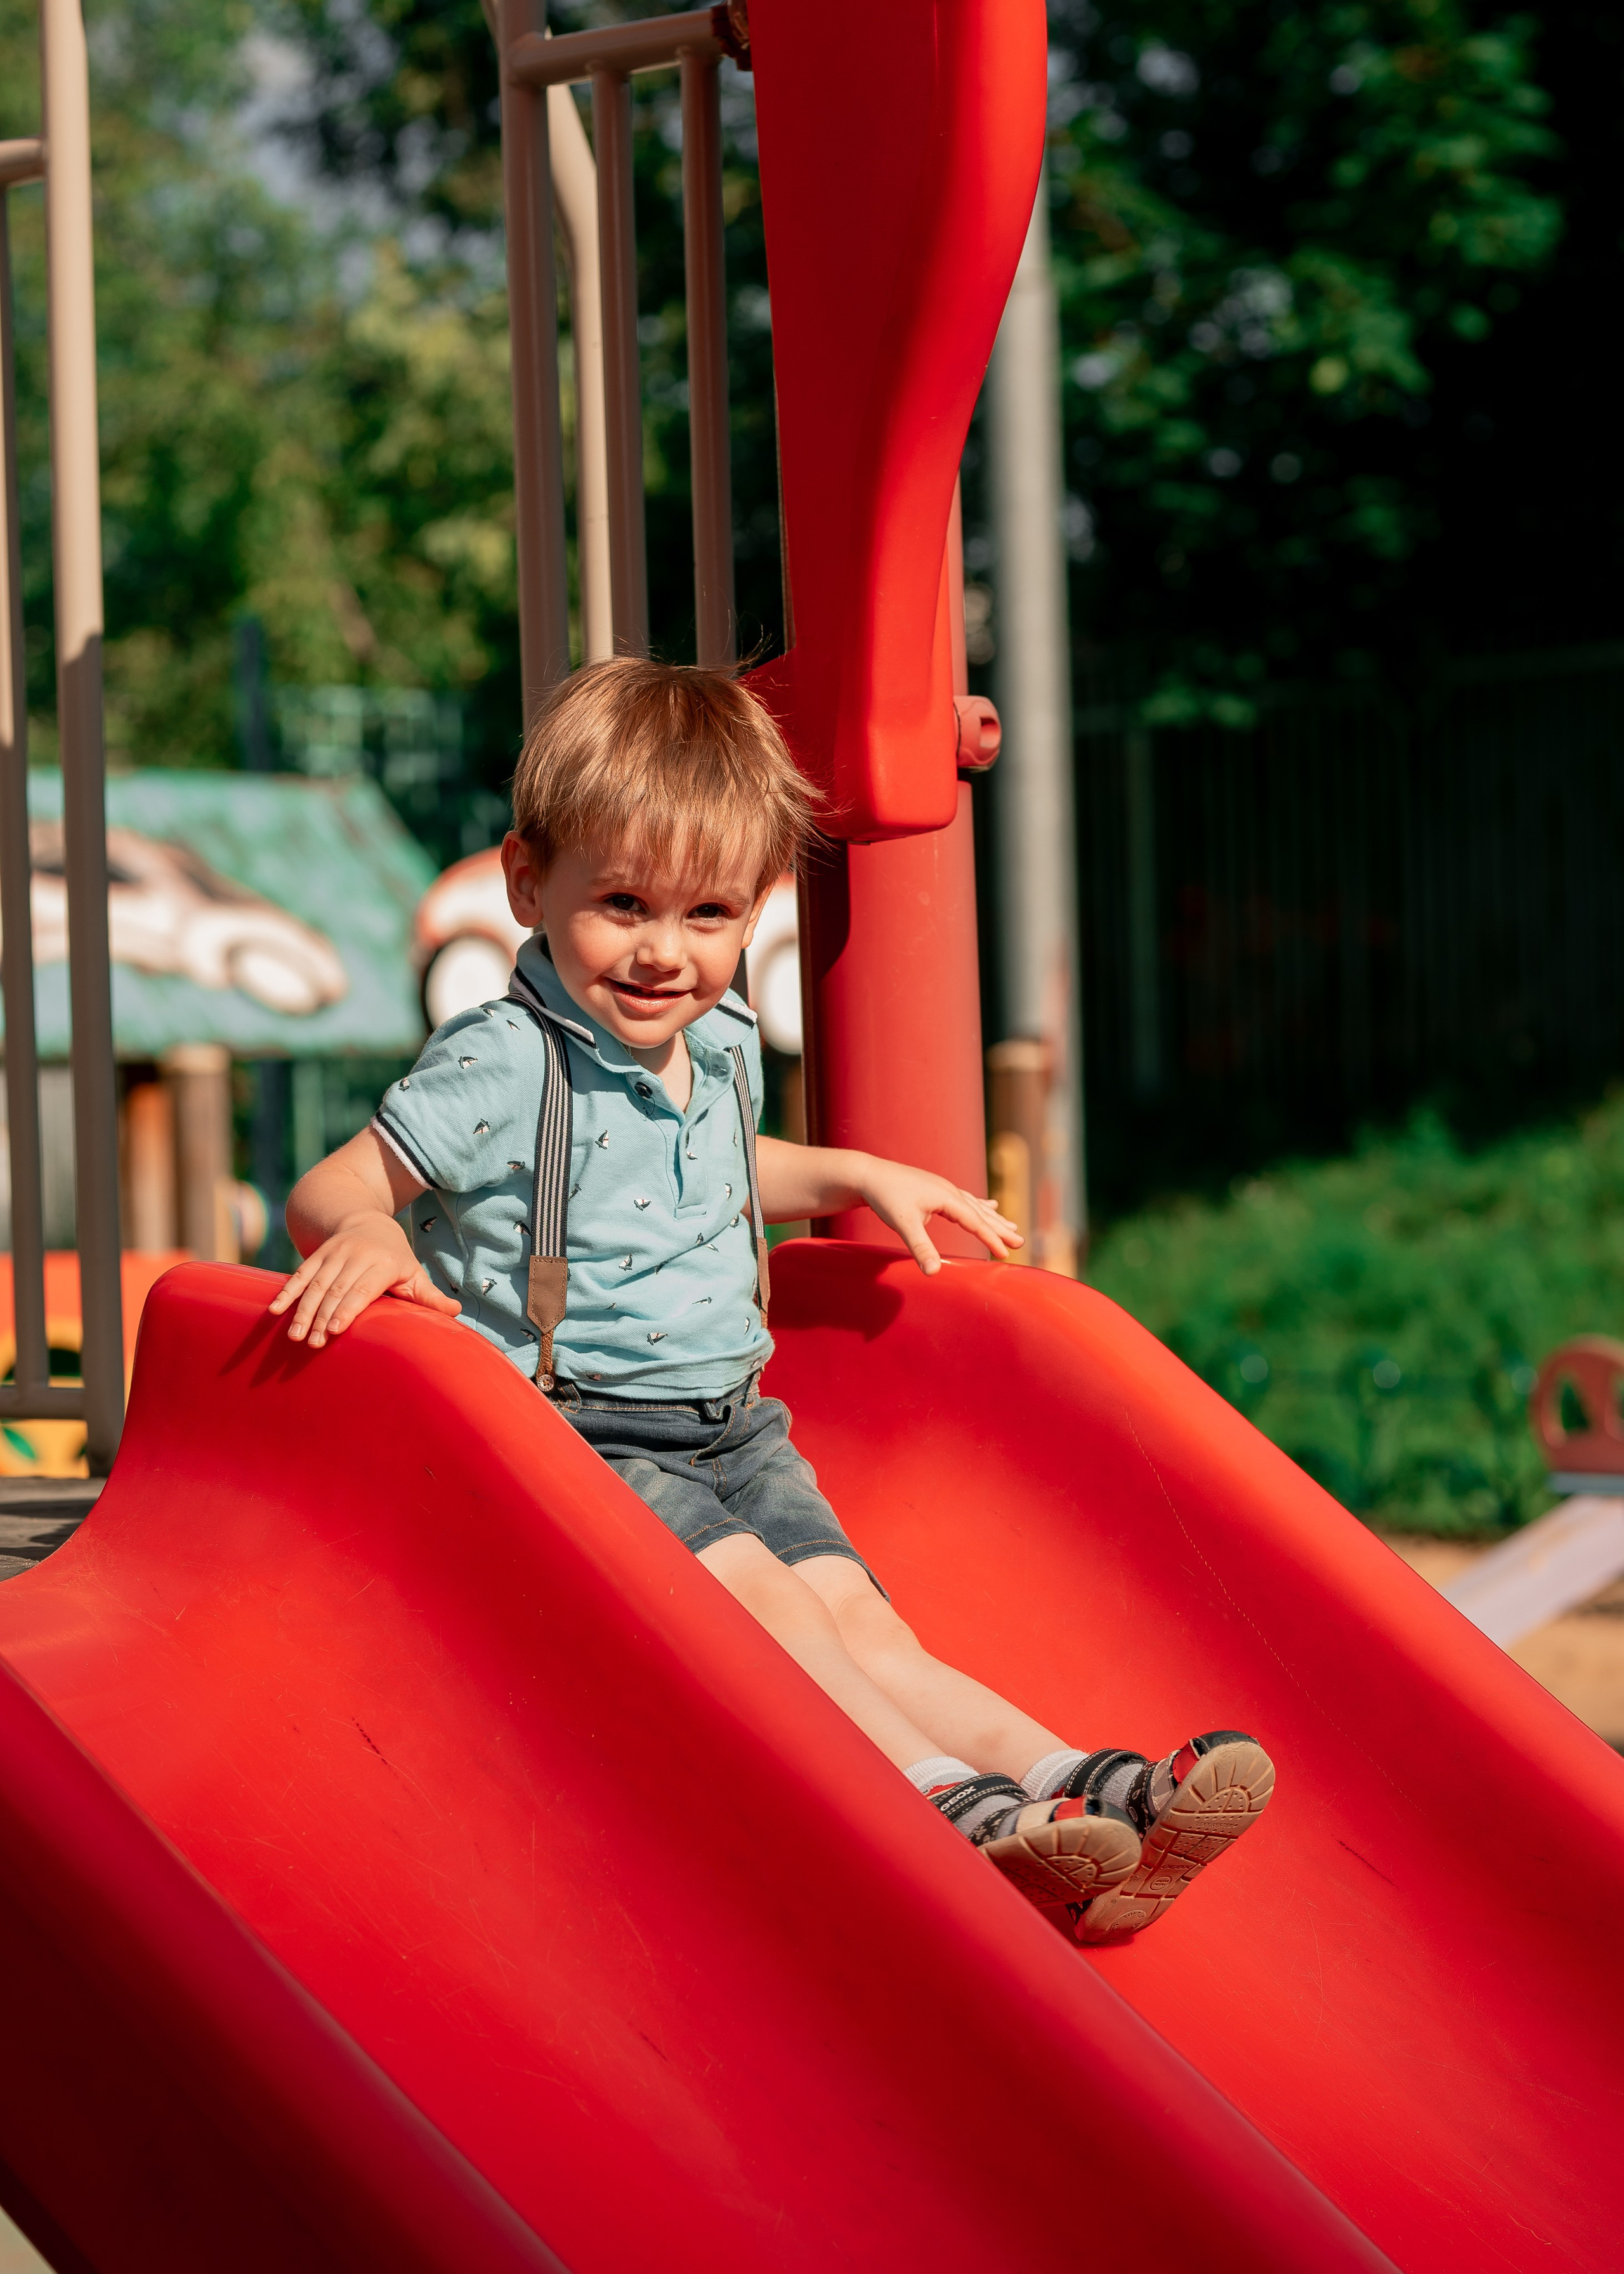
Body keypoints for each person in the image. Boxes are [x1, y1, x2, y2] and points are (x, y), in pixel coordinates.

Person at [270, 658, 1273, 1942]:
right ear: (529, 883)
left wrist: (857, 1169)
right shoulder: (502, 1060)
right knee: (776, 1603)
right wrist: (363, 1237)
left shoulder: (723, 1038)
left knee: (865, 1618)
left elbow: (717, 1157)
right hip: (584, 1432)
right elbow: (333, 1185)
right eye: (622, 901)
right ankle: (944, 1805)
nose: (662, 950)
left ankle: (1080, 1788)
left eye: (708, 914)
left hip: (736, 1424)